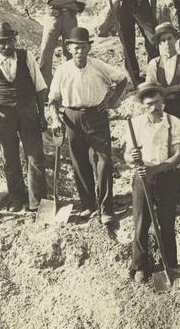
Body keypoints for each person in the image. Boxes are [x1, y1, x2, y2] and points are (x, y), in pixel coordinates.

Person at [48, 27, 127, 226]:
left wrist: (110, 102)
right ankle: (88, 205)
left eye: (83, 47)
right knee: (79, 162)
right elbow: (53, 100)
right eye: (76, 48)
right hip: (71, 117)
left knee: (103, 161)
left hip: (96, 116)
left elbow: (122, 79)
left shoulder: (98, 66)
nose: (80, 51)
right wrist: (55, 118)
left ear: (88, 48)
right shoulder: (62, 70)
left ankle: (106, 208)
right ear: (69, 49)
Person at [0, 21, 49, 212]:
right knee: (10, 158)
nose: (6, 46)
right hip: (2, 115)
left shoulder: (26, 57)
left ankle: (37, 201)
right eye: (2, 42)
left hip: (27, 111)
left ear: (15, 39)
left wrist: (42, 115)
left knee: (35, 156)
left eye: (9, 41)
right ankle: (17, 198)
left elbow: (40, 88)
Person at [125, 83, 180, 282]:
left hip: (166, 176)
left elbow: (178, 156)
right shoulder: (135, 125)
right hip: (142, 177)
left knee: (167, 222)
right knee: (141, 222)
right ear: (143, 105)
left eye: (158, 102)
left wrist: (157, 169)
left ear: (163, 101)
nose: (155, 108)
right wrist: (131, 157)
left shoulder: (174, 123)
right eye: (150, 104)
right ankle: (140, 265)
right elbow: (127, 155)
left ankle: (171, 264)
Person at [145, 22, 180, 195]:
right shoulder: (153, 64)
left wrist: (165, 91)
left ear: (176, 39)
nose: (167, 43)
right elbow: (151, 91)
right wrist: (175, 88)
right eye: (163, 40)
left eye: (170, 39)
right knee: (160, 147)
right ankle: (162, 191)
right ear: (159, 44)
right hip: (160, 112)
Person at [38, 0, 86, 88]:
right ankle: (45, 87)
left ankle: (69, 85)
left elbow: (80, 6)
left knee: (72, 51)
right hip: (52, 19)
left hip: (70, 20)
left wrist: (62, 2)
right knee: (46, 52)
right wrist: (70, 0)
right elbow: (50, 0)